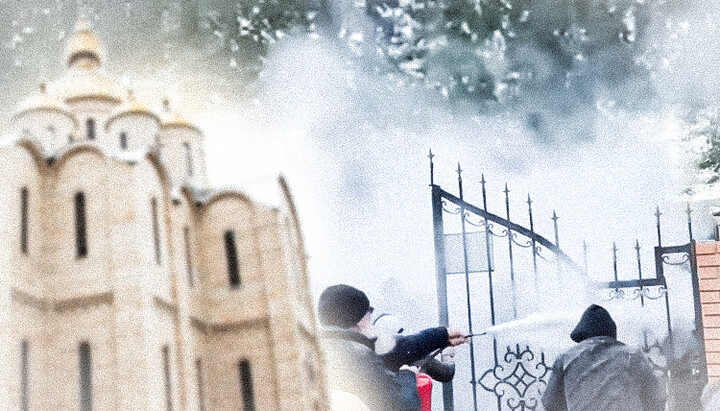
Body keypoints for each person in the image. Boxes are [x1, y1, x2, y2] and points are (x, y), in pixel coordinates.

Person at [318, 284, 467, 411]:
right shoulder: (358, 356)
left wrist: (442, 335)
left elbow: (401, 349)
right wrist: (407, 376)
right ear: (356, 321)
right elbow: (402, 405)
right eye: (367, 315)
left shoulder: (320, 349)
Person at [542, 304, 664, 411]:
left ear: (583, 335)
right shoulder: (634, 355)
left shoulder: (566, 359)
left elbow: (550, 403)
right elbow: (654, 400)